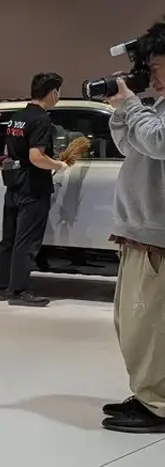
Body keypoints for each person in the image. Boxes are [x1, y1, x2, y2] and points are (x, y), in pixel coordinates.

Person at [102, 19, 165, 433]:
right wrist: (122, 110)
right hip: (139, 230)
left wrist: (131, 105)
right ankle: (148, 392)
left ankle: (158, 403)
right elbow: (131, 145)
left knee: (150, 327)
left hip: (157, 236)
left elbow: (159, 142)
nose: (150, 75)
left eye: (156, 66)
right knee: (133, 323)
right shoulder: (156, 106)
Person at [0, 72, 69, 307]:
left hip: (13, 184)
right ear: (53, 93)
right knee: (27, 240)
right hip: (33, 186)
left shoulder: (17, 117)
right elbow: (36, 156)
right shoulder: (42, 120)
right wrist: (58, 165)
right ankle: (19, 290)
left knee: (9, 238)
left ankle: (1, 287)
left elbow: (8, 151)